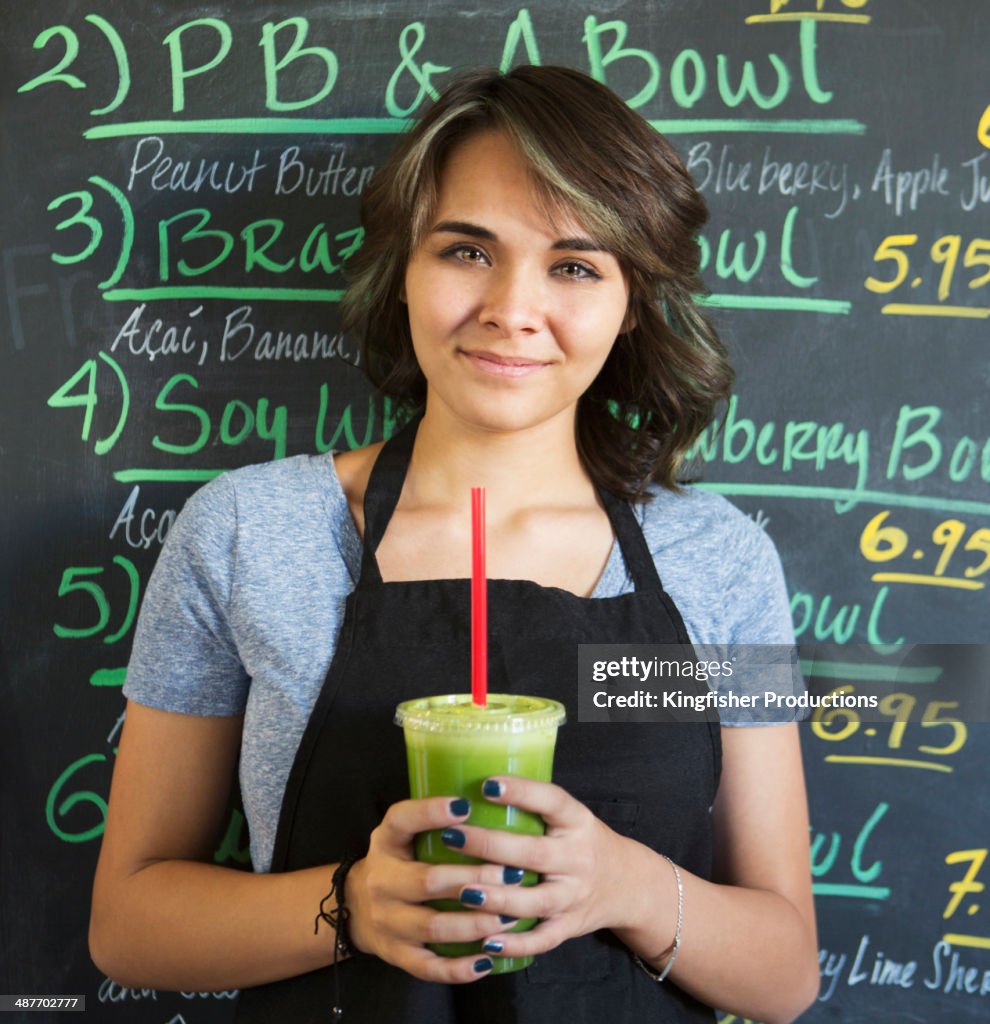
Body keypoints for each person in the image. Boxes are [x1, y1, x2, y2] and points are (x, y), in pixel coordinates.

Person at [89, 65, 820, 1023]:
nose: (512, 308)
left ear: (632, 301)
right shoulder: (248, 534)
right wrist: (348, 906)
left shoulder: (717, 562)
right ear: (405, 269)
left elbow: (785, 976)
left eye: (575, 265)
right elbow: (128, 924)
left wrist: (624, 887)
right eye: (467, 251)